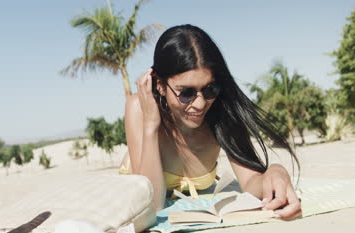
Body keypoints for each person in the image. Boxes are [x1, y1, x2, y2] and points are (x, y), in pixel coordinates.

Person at [119, 24, 302, 221]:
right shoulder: (139, 107)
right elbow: (152, 206)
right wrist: (150, 126)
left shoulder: (221, 112)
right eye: (186, 93)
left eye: (209, 89)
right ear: (160, 85)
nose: (199, 104)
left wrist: (275, 172)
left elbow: (250, 180)